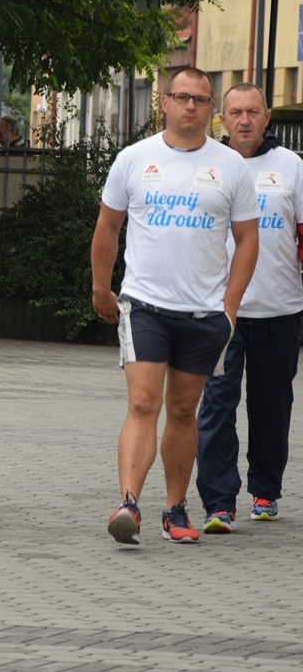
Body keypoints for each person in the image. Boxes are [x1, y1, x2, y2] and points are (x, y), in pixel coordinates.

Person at [91, 66, 259, 545]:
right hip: (144, 304)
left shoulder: (230, 167)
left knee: (183, 412)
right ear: (163, 102)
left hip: (205, 313)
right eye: (182, 97)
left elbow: (248, 240)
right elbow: (107, 228)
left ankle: (174, 508)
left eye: (201, 100)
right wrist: (102, 289)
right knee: (143, 402)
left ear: (211, 109)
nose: (191, 106)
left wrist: (229, 307)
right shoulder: (134, 159)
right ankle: (128, 503)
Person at [196, 83, 303, 533]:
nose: (243, 120)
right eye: (235, 112)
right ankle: (219, 502)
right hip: (222, 311)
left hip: (280, 309)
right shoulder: (207, 166)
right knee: (217, 405)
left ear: (267, 117)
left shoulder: (292, 167)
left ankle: (265, 490)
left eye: (252, 112)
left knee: (270, 407)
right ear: (221, 117)